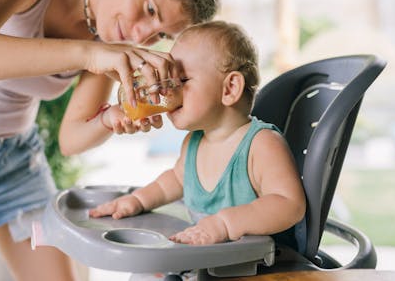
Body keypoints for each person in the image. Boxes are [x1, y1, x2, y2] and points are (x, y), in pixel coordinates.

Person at [0, 0, 220, 279]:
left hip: (13, 160)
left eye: (160, 34)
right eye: (149, 9)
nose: (140, 35)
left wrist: (111, 118)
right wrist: (88, 53)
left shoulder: (104, 31)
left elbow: (71, 139)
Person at [90, 21, 306, 246]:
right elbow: (173, 181)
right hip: (207, 265)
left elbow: (289, 204)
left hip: (263, 270)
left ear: (229, 88)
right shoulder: (193, 143)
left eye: (182, 80)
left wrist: (223, 224)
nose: (168, 90)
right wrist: (137, 200)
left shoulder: (262, 145)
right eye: (168, 78)